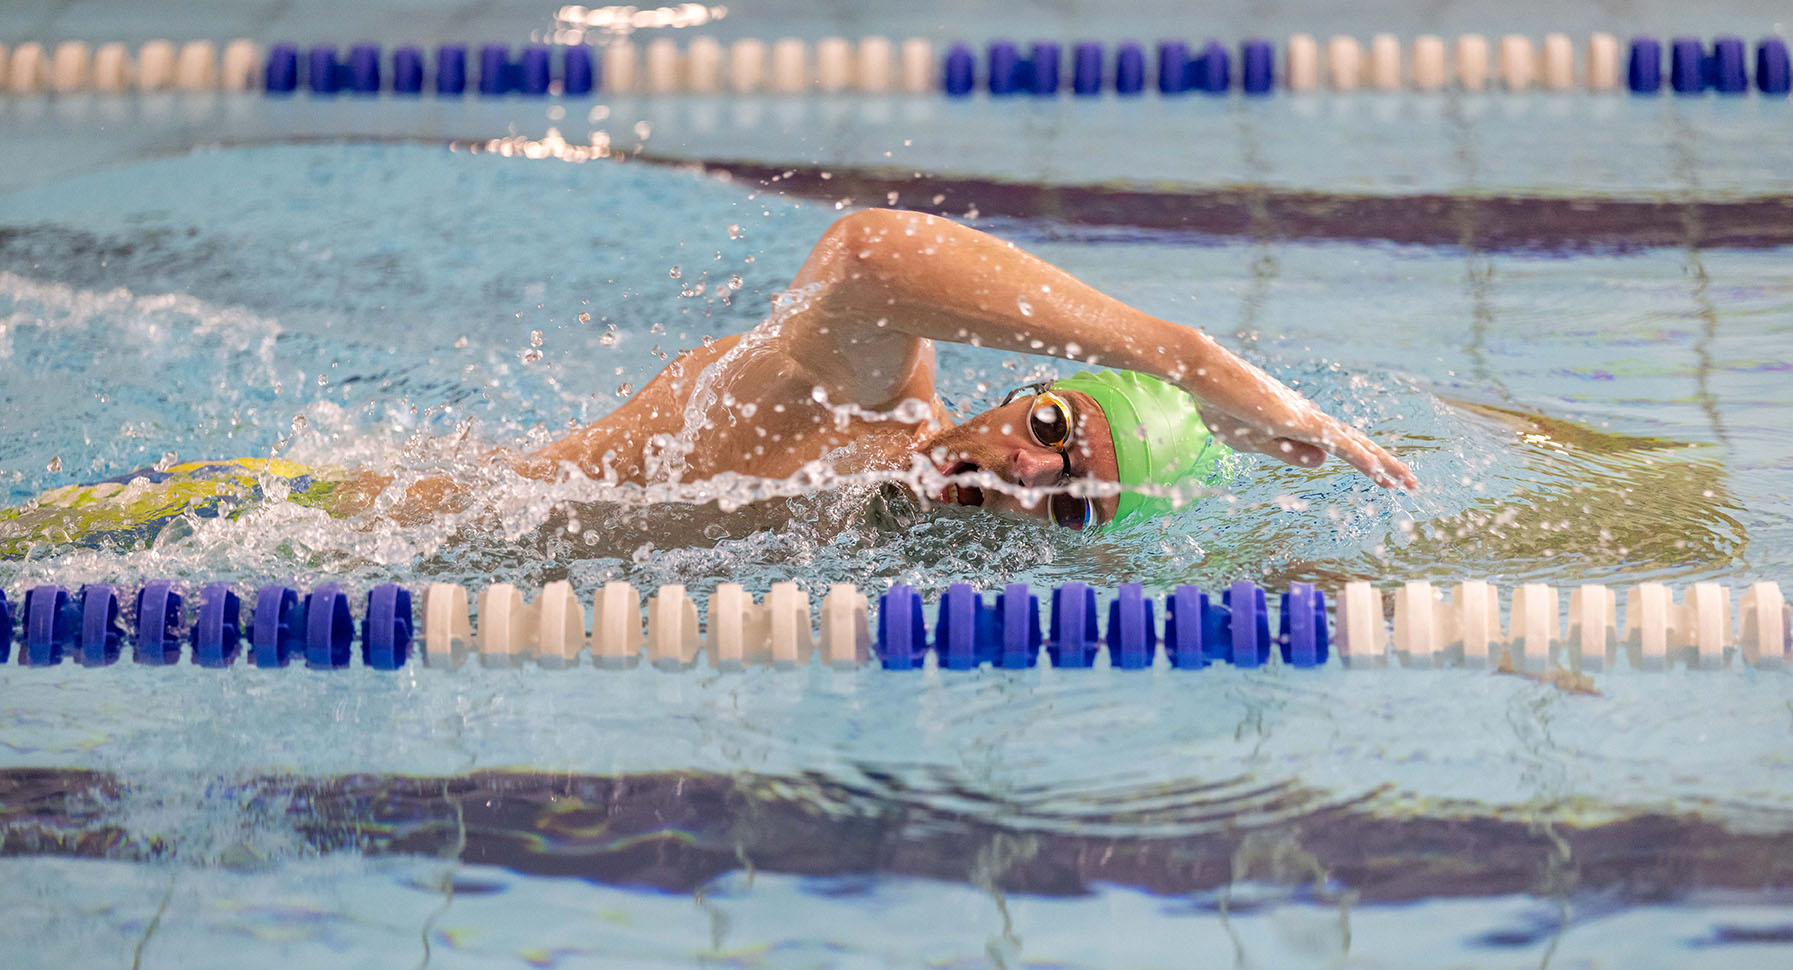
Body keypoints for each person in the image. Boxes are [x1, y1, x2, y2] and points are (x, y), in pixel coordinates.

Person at [0, 209, 1412, 557]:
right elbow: (865, 252)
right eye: (1052, 426)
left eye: (1074, 502)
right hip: (301, 526)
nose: (1030, 474)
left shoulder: (905, 556)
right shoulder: (861, 401)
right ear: (1012, 394)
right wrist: (1185, 366)